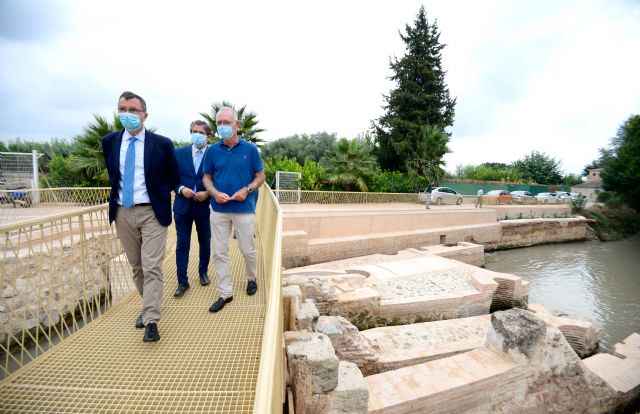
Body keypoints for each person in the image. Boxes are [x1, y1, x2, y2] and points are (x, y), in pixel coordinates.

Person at [102, 91, 179, 342]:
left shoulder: (162, 144)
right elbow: (114, 176)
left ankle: (151, 320)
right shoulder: (110, 142)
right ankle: (149, 306)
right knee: (136, 267)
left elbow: (173, 177)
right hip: (122, 211)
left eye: (132, 110)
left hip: (152, 212)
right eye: (122, 109)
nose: (127, 114)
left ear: (144, 115)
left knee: (151, 265)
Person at [202, 106, 265, 313]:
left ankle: (251, 278)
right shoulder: (212, 151)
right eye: (219, 123)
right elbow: (206, 178)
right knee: (219, 252)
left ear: (236, 125)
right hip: (218, 209)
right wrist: (213, 192)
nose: (222, 126)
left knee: (247, 249)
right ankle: (225, 292)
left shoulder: (250, 150)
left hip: (244, 208)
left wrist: (247, 190)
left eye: (226, 122)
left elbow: (260, 177)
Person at [172, 120, 212, 297]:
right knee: (182, 244)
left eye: (201, 132)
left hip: (205, 207)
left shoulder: (214, 154)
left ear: (208, 137)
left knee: (205, 242)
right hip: (183, 207)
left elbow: (220, 179)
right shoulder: (178, 153)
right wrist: (181, 189)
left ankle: (203, 272)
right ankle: (182, 281)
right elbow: (171, 178)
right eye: (194, 131)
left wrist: (208, 193)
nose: (197, 135)